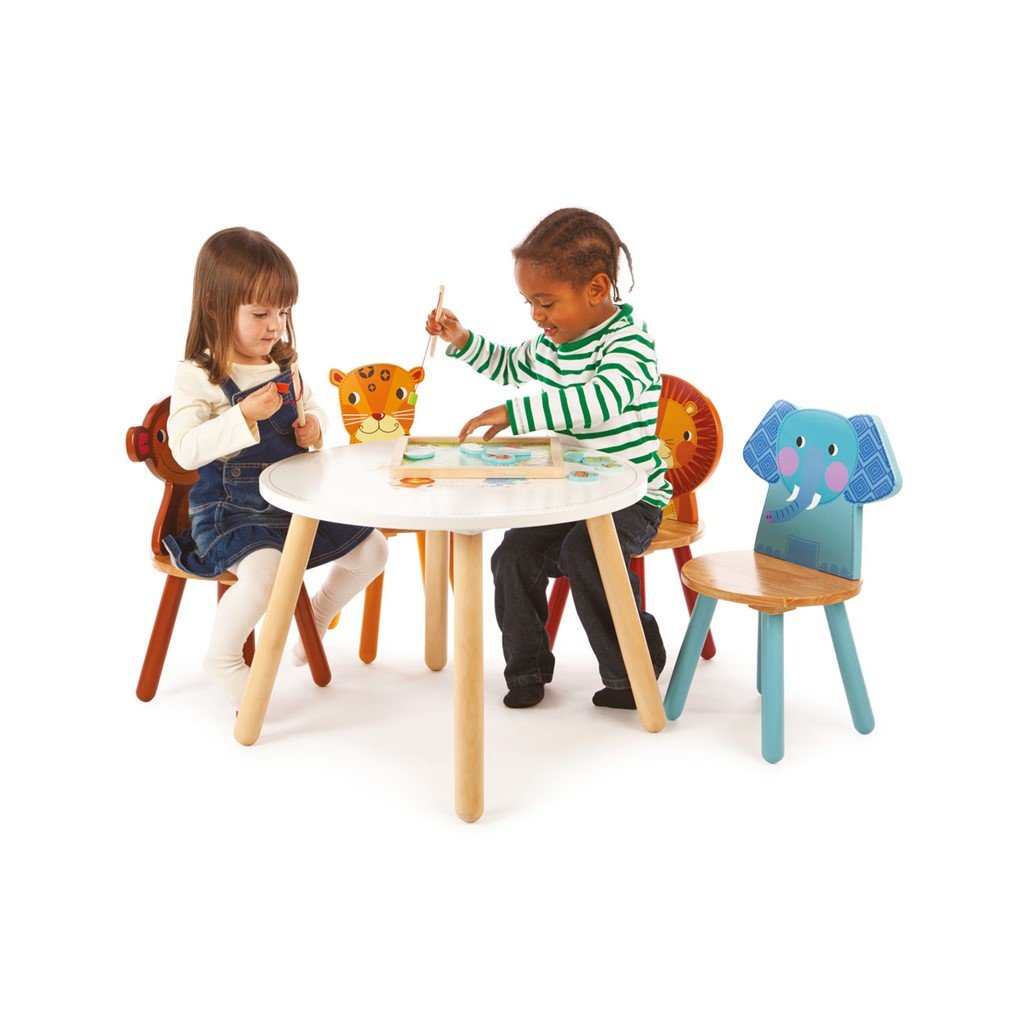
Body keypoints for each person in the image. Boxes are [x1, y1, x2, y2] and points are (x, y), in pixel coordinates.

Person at [426, 208, 669, 710]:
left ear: (596, 288)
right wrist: (462, 340)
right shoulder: (552, 343)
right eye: (530, 303)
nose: (537, 316)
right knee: (512, 555)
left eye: (546, 302)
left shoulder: (630, 343)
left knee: (587, 551)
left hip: (633, 498)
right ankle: (527, 670)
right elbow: (510, 365)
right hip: (574, 494)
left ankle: (634, 667)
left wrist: (515, 413)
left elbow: (599, 400)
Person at [164, 227, 388, 707]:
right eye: (260, 313)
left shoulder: (284, 365)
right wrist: (242, 416)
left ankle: (321, 614)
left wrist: (315, 427)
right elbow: (183, 449)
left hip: (294, 506)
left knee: (373, 550)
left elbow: (313, 407)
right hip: (232, 513)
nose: (275, 327)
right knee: (266, 577)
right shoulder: (200, 375)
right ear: (215, 306)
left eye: (283, 313)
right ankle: (223, 658)